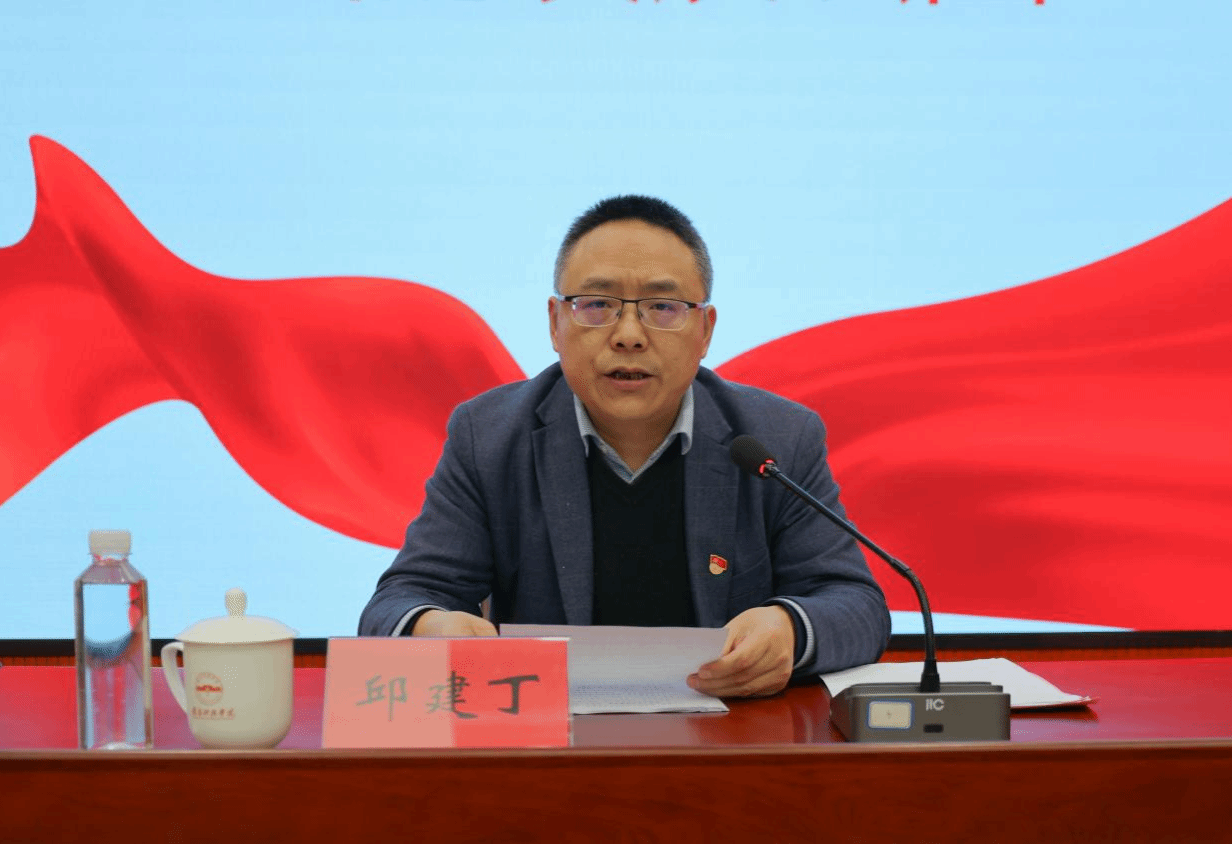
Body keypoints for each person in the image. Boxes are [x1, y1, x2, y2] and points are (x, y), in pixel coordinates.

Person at [359, 195, 889, 697]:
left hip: (730, 737)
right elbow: (397, 603)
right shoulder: (490, 436)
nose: (629, 334)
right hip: (550, 739)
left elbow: (857, 607)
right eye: (597, 305)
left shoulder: (776, 438)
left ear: (705, 330)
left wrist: (791, 627)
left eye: (663, 307)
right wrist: (432, 628)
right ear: (555, 323)